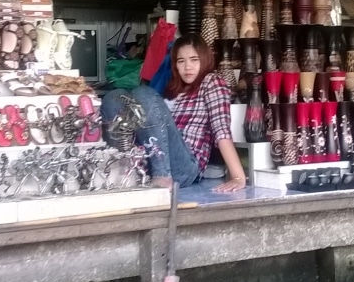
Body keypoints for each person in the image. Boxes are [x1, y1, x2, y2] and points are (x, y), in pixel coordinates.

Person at [101, 34, 247, 192]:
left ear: (204, 59)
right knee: (114, 96)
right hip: (152, 161)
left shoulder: (212, 82)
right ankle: (122, 167)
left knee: (143, 93)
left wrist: (238, 177)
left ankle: (162, 176)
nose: (187, 67)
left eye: (194, 59)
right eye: (181, 61)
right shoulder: (173, 89)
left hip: (184, 167)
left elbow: (221, 130)